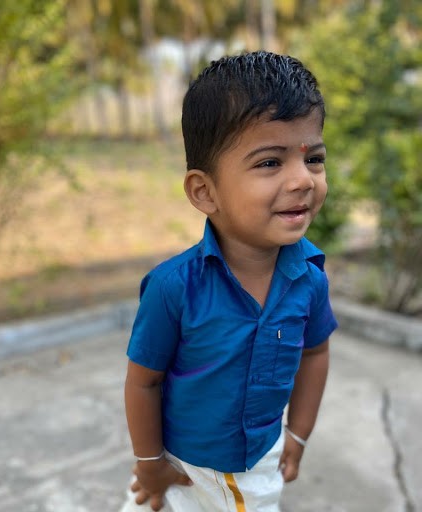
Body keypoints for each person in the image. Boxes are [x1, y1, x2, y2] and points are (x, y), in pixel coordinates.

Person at [121, 51, 338, 512]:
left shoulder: (310, 279)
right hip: (179, 465)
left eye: (314, 159)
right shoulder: (173, 288)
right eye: (270, 163)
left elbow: (315, 353)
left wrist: (298, 434)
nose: (303, 179)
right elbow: (143, 382)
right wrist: (149, 462)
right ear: (205, 191)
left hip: (250, 468)